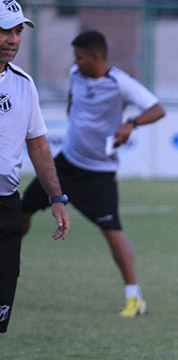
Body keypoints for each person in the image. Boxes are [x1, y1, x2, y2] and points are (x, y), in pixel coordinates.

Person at [21, 30, 165, 317]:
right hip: (65, 164)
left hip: (98, 173)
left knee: (112, 232)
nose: (74, 63)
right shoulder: (76, 74)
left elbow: (158, 109)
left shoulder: (120, 83)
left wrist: (131, 124)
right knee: (21, 210)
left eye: (79, 57)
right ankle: (10, 256)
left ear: (96, 57)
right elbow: (74, 101)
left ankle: (134, 297)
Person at [0, 1, 70, 334]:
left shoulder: (24, 84)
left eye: (17, 31)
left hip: (6, 205)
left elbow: (38, 145)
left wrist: (56, 197)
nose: (12, 39)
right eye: (4, 30)